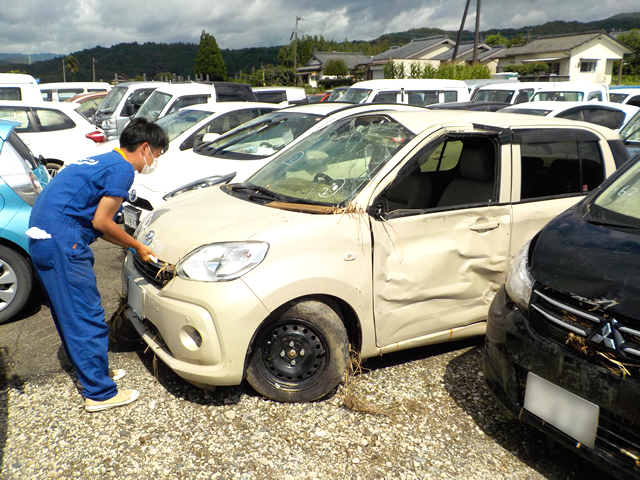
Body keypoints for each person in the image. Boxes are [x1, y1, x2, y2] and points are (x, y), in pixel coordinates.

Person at [27, 117, 169, 412]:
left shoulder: (102, 159)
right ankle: (99, 393)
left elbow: (100, 225)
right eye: (156, 153)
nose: (154, 161)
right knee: (85, 315)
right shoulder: (122, 171)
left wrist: (131, 246)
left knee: (70, 314)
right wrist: (138, 245)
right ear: (145, 148)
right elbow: (102, 222)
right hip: (63, 243)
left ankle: (93, 375)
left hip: (46, 237)